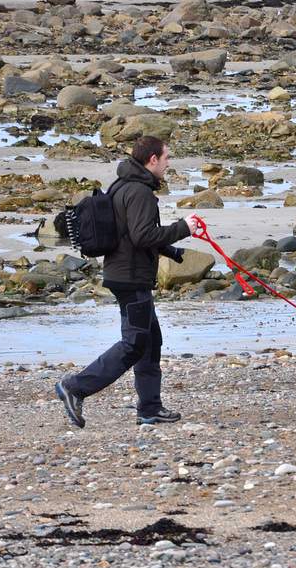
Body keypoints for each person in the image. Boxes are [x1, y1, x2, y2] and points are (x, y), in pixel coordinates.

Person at [56, 136, 200, 428]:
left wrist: (170, 250)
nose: (168, 163)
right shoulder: (140, 191)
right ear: (152, 160)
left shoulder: (123, 184)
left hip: (125, 274)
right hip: (131, 279)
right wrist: (183, 228)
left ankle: (150, 408)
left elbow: (127, 233)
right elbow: (142, 235)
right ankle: (75, 387)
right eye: (165, 157)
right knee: (134, 343)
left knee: (149, 342)